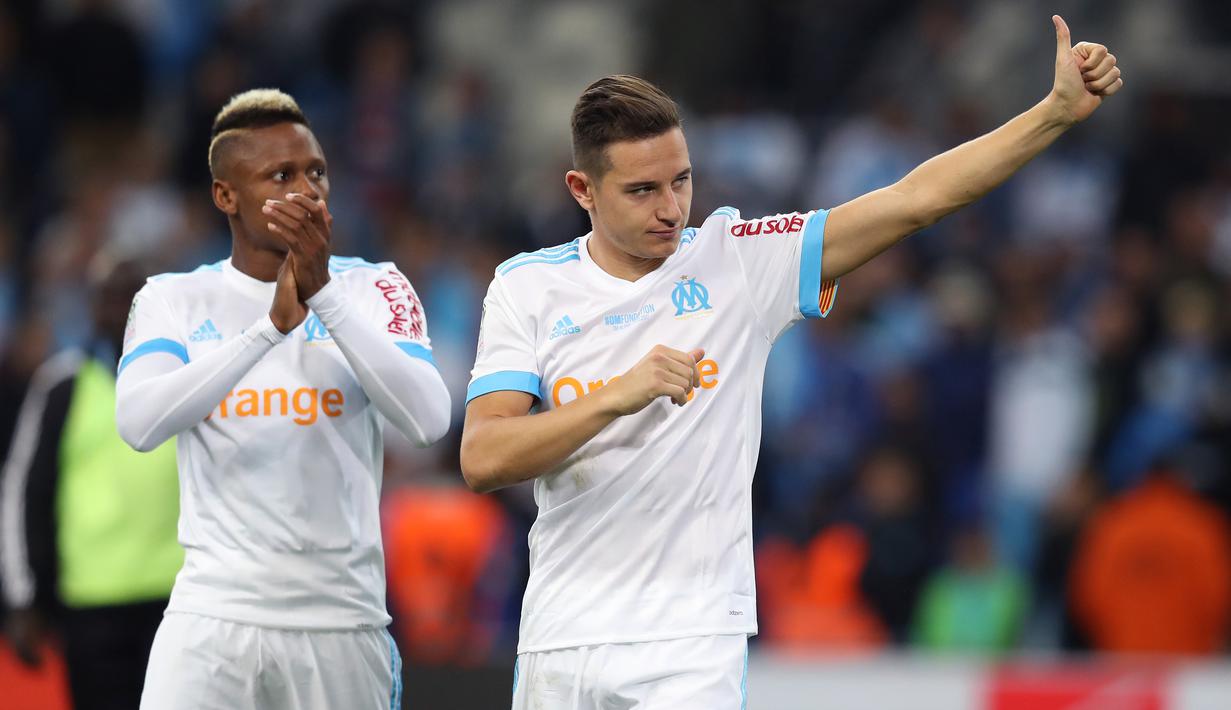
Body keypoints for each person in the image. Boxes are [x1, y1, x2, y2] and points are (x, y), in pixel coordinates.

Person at [460, 16, 1121, 709]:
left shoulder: (738, 260)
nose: (670, 209)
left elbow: (915, 200)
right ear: (580, 190)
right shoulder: (526, 285)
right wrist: (611, 397)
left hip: (691, 642)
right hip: (560, 637)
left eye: (680, 181)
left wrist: (1051, 115)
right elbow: (483, 457)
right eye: (641, 191)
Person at [115, 89, 451, 710]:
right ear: (226, 196)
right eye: (281, 175)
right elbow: (138, 423)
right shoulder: (172, 299)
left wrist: (326, 296)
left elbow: (428, 419)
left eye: (316, 171)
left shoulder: (376, 286)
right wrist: (266, 331)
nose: (307, 190)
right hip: (212, 618)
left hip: (340, 621)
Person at [2, 256, 181, 710]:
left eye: (131, 298)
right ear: (92, 305)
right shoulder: (63, 383)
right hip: (91, 601)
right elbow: (24, 489)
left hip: (181, 597)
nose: (120, 309)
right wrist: (24, 598)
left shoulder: (186, 376)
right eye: (109, 297)